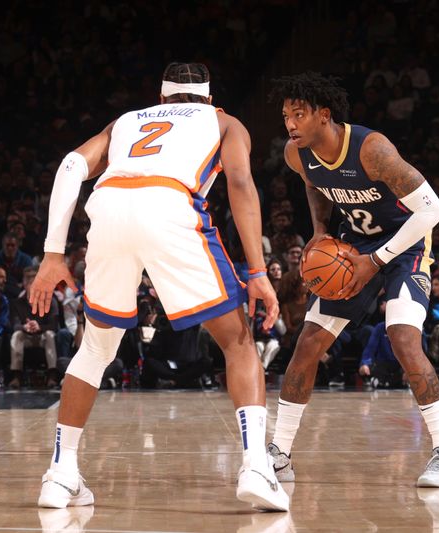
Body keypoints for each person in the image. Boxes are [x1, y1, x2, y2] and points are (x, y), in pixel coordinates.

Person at [29, 62, 288, 511]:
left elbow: (72, 165)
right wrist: (259, 271)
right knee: (239, 342)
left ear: (162, 98)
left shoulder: (127, 121)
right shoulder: (223, 121)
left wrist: (53, 254)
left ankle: (60, 474)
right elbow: (242, 185)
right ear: (208, 98)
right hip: (170, 203)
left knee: (95, 349)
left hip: (108, 206)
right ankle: (256, 467)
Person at [265, 72, 439, 488]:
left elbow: (432, 212)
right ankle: (279, 455)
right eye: (285, 115)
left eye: (298, 114)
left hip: (405, 246)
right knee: (308, 343)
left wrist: (376, 260)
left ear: (324, 115)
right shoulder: (296, 154)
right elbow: (314, 185)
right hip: (354, 248)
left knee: (403, 337)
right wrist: (320, 231)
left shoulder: (372, 150)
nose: (290, 124)